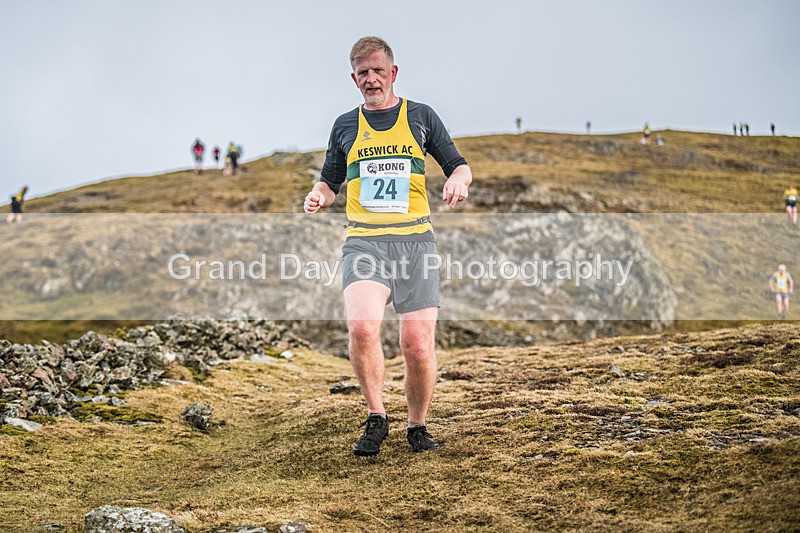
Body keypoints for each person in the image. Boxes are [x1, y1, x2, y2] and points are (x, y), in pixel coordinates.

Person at [304, 36, 472, 457]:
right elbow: (330, 179)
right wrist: (319, 195)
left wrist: (457, 180)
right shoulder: (345, 125)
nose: (371, 79)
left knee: (416, 343)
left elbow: (459, 165)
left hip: (416, 242)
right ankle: (376, 416)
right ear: (353, 77)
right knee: (362, 328)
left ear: (392, 73)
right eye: (363, 72)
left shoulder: (421, 116)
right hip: (365, 242)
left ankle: (417, 425)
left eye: (378, 70)